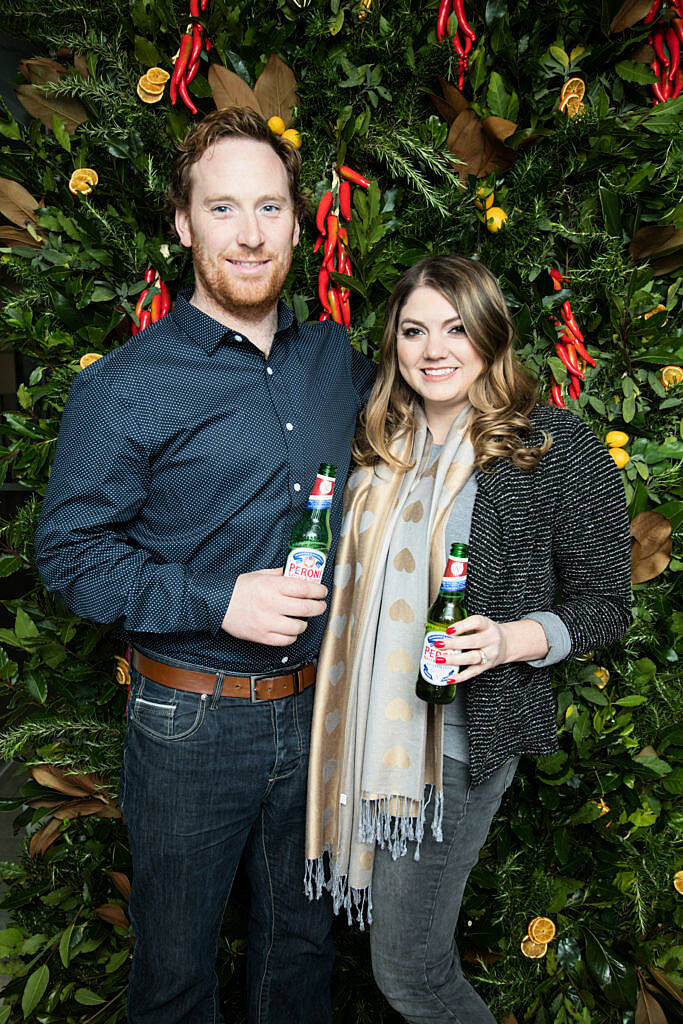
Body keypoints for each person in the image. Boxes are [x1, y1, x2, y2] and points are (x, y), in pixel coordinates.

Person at [34, 107, 375, 1024]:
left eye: (269, 208)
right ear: (183, 225)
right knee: (177, 975)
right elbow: (67, 556)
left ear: (298, 225)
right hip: (190, 723)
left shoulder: (334, 360)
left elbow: (439, 407)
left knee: (300, 956)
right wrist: (216, 598)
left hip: (318, 711)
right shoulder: (125, 385)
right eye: (223, 209)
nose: (251, 233)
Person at [305, 254, 631, 1023]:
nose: (433, 349)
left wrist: (510, 639)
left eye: (455, 328)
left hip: (456, 745)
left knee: (411, 974)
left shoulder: (549, 445)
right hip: (355, 734)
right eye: (414, 330)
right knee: (395, 963)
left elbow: (606, 605)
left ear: (490, 333)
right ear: (393, 344)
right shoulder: (375, 439)